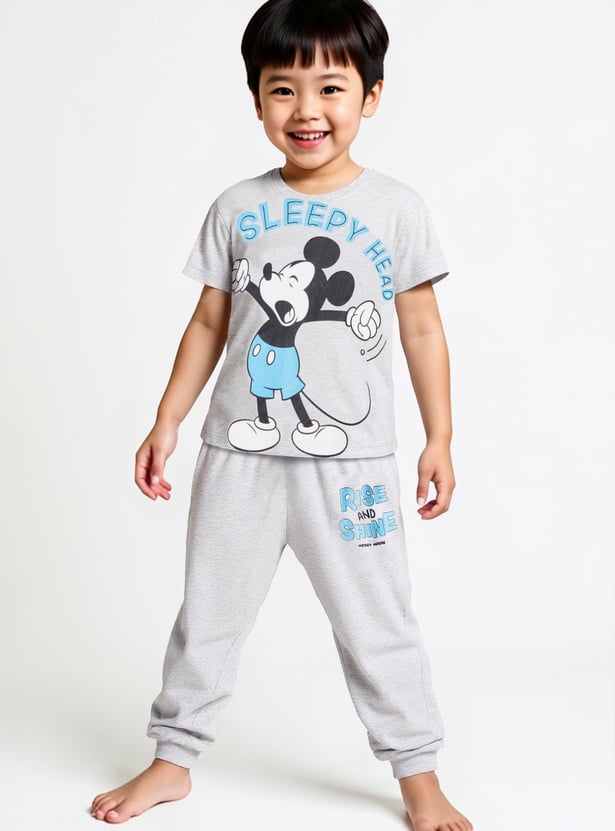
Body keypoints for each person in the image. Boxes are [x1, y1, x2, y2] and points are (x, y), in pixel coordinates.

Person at [90, 1, 473, 828]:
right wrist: (167, 419)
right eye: (282, 88)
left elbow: (420, 327)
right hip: (240, 452)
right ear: (256, 98)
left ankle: (416, 771)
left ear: (371, 95)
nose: (306, 110)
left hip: (352, 461)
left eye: (330, 87)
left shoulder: (397, 208)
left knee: (378, 621)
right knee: (209, 611)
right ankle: (171, 759)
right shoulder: (236, 206)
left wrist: (439, 436)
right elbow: (208, 321)